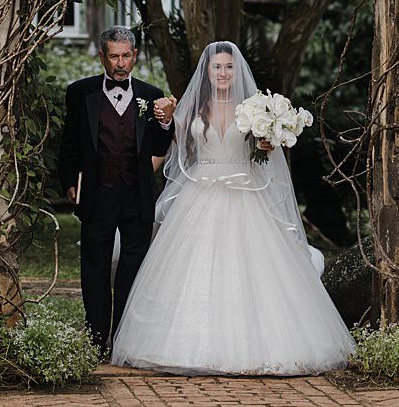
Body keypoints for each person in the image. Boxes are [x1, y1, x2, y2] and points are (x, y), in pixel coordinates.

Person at [110, 41, 355, 375]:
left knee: (253, 270)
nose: (223, 73)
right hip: (200, 193)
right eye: (216, 67)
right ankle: (181, 346)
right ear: (207, 72)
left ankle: (263, 346)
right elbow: (177, 145)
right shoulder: (195, 108)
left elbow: (267, 157)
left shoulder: (256, 109)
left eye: (228, 67)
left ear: (236, 71)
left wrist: (270, 141)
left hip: (245, 194)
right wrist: (168, 119)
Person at [57, 26, 177, 354]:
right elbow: (68, 144)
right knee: (94, 268)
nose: (120, 63)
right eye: (114, 56)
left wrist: (166, 122)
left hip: (137, 194)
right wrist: (69, 182)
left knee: (132, 268)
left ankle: (123, 339)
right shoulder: (80, 93)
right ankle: (97, 341)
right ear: (102, 57)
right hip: (98, 193)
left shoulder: (151, 95)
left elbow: (160, 145)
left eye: (126, 56)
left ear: (135, 56)